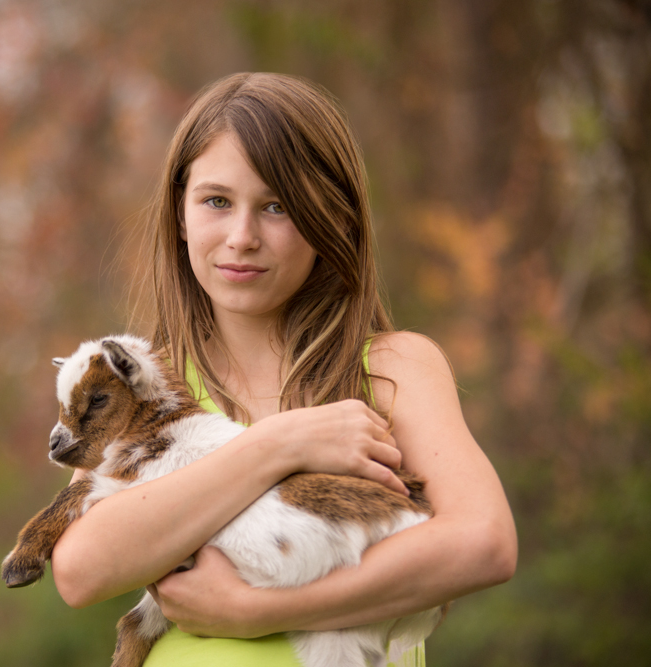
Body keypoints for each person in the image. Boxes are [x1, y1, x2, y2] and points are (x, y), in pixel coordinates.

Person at [49, 72, 517, 666]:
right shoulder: (148, 390)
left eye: (277, 206)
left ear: (334, 217)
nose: (242, 237)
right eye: (217, 201)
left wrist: (253, 611)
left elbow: (485, 544)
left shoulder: (391, 369)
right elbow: (82, 571)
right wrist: (277, 444)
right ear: (181, 212)